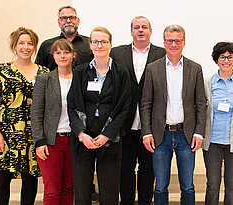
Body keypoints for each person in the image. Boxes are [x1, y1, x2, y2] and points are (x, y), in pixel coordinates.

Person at [140, 24, 206, 205]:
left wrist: (199, 132)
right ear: (164, 42)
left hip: (187, 135)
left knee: (188, 186)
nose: (173, 44)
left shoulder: (195, 68)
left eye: (177, 41)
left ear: (184, 42)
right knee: (160, 185)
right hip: (161, 136)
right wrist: (146, 132)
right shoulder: (153, 68)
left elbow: (201, 103)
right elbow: (145, 103)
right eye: (169, 41)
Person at [67, 26, 131, 205]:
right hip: (83, 138)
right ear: (90, 45)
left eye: (103, 41)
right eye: (95, 41)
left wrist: (107, 135)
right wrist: (81, 134)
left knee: (109, 190)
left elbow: (124, 109)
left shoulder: (121, 73)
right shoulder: (80, 72)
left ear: (110, 44)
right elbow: (71, 106)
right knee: (82, 189)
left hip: (109, 138)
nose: (99, 45)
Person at [0, 27, 49, 205]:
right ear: (14, 46)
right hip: (6, 134)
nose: (26, 47)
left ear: (35, 46)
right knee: (2, 179)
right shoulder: (2, 71)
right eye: (21, 43)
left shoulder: (43, 72)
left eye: (30, 43)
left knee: (30, 179)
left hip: (33, 134)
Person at [110, 16, 166, 205]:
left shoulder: (162, 54)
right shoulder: (117, 53)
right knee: (125, 168)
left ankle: (144, 201)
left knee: (147, 169)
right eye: (136, 27)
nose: (140, 30)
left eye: (144, 27)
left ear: (151, 31)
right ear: (131, 31)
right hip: (124, 123)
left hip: (150, 125)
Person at [202, 42, 233, 205]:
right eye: (222, 57)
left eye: (230, 57)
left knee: (232, 184)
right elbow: (203, 109)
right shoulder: (207, 83)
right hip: (213, 142)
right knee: (213, 184)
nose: (226, 60)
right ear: (216, 59)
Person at [31, 39, 75, 205]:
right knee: (52, 190)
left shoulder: (79, 78)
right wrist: (39, 141)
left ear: (73, 55)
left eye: (66, 52)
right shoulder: (44, 79)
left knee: (69, 188)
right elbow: (36, 112)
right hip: (51, 142)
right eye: (58, 53)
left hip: (74, 141)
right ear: (53, 56)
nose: (62, 56)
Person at [36, 5, 93, 71]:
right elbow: (40, 71)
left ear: (78, 20)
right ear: (58, 22)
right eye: (64, 18)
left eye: (71, 17)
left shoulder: (90, 44)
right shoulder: (46, 45)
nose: (68, 21)